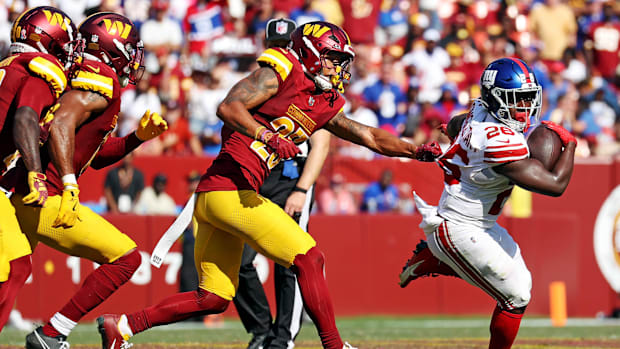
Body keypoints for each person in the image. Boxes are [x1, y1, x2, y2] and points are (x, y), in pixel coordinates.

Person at [97, 21, 441, 349]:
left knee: (213, 298)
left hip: (219, 196)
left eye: (341, 62)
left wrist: (414, 150)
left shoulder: (324, 101)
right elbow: (228, 106)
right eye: (333, 59)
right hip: (230, 191)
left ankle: (123, 326)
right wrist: (267, 135)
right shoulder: (281, 71)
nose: (338, 68)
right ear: (309, 52)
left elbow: (367, 135)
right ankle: (334, 346)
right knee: (310, 257)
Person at [1, 12, 167, 349]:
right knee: (126, 258)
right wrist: (68, 181)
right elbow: (60, 126)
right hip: (44, 194)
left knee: (12, 275)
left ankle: (50, 334)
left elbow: (92, 153)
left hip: (23, 187)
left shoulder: (81, 76)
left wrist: (136, 138)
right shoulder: (101, 76)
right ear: (112, 49)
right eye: (130, 48)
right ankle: (53, 333)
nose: (135, 57)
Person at [398, 57, 577, 349]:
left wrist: (454, 130)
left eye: (527, 99)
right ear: (495, 98)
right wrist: (569, 145)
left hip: (478, 223)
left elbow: (457, 123)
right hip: (458, 227)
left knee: (524, 286)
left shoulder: (479, 110)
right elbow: (555, 185)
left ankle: (434, 257)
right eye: (515, 100)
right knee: (516, 295)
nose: (524, 108)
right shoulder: (499, 141)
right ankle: (437, 254)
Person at [232, 18, 328, 349]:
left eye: (287, 42)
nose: (282, 48)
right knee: (239, 261)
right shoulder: (262, 78)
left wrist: (302, 189)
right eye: (277, 43)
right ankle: (262, 330)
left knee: (291, 262)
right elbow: (232, 117)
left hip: (291, 177)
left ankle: (282, 339)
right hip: (258, 173)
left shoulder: (313, 84)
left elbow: (322, 143)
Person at [0, 6, 80, 333]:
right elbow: (24, 118)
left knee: (15, 265)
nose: (67, 53)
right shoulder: (41, 68)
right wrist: (35, 172)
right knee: (16, 266)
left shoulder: (9, 65)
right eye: (64, 44)